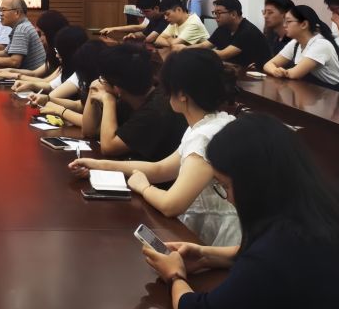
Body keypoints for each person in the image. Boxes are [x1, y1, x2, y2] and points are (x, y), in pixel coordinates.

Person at [141, 114, 339, 309]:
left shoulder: (279, 245)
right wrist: (207, 256)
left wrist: (175, 275)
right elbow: (283, 266)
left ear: (253, 184)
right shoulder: (319, 206)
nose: (228, 198)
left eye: (226, 186)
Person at [69, 50, 240, 246]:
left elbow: (171, 205)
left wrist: (144, 187)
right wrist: (98, 165)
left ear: (182, 95)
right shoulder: (209, 123)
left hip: (216, 237)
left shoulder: (204, 136)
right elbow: (160, 169)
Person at [80, 43, 186, 161]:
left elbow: (108, 148)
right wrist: (92, 89)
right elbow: (89, 131)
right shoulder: (134, 94)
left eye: (102, 78)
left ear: (117, 88)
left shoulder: (156, 109)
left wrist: (108, 101)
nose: (100, 81)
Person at [263, 4, 339, 91]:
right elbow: (268, 64)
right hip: (318, 91)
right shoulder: (295, 43)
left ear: (304, 24)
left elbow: (294, 74)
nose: (284, 25)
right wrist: (275, 71)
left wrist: (281, 72)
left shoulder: (320, 44)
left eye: (288, 21)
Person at [33, 39, 108, 125]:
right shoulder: (93, 79)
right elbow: (79, 105)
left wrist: (60, 111)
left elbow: (89, 125)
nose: (56, 55)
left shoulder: (103, 87)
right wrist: (47, 99)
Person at [0, 11, 69, 84]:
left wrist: (14, 75)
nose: (40, 39)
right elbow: (34, 73)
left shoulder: (65, 55)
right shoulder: (53, 53)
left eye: (42, 34)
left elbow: (47, 82)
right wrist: (10, 71)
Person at [10, 23, 85, 93]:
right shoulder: (64, 66)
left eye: (43, 34)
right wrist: (30, 85)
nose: (40, 39)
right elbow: (50, 85)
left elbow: (49, 87)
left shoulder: (79, 72)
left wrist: (16, 76)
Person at [0, 0, 46, 71]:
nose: (0, 14)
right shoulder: (21, 26)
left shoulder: (22, 29)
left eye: (3, 10)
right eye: (0, 10)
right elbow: (6, 53)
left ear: (17, 13)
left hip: (31, 77)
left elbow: (15, 62)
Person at [200, 0, 272, 68]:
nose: (216, 16)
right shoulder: (223, 28)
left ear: (233, 14)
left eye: (219, 13)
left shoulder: (248, 31)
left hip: (256, 73)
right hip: (234, 70)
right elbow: (204, 45)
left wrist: (198, 52)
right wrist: (192, 49)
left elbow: (223, 55)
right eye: (214, 13)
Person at [100, 0, 168, 44]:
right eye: (142, 12)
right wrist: (134, 35)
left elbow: (149, 39)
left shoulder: (165, 18)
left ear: (156, 8)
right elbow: (144, 34)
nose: (144, 15)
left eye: (146, 11)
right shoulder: (153, 18)